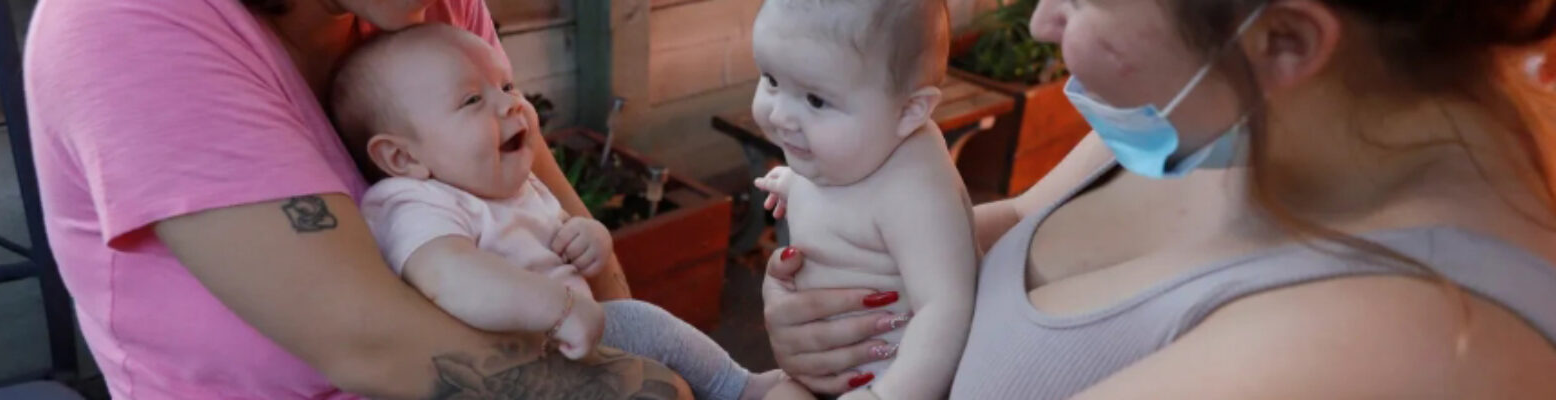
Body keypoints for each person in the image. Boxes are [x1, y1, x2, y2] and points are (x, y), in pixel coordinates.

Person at [761, 0, 1556, 398]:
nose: (1041, 22)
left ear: (1283, 40)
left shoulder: (1392, 350)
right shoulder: (1223, 109)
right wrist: (835, 292)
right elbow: (1002, 233)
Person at [23, 0, 690, 398]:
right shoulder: (129, 22)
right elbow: (367, 340)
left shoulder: (419, 7)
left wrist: (657, 357)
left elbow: (551, 208)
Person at [329, 24, 792, 400]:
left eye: (507, 85)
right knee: (645, 330)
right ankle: (737, 389)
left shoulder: (510, 182)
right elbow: (447, 274)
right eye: (472, 100)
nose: (510, 102)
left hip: (572, 336)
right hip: (512, 362)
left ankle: (736, 385)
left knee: (646, 329)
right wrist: (555, 306)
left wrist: (589, 237)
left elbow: (559, 232)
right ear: (401, 158)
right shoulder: (415, 202)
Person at [747, 1, 976, 399]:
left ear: (910, 111)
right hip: (818, 371)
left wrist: (884, 395)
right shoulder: (854, 151)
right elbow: (843, 193)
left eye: (816, 100)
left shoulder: (916, 190)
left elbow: (946, 309)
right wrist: (792, 184)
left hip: (881, 379)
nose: (780, 114)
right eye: (770, 80)